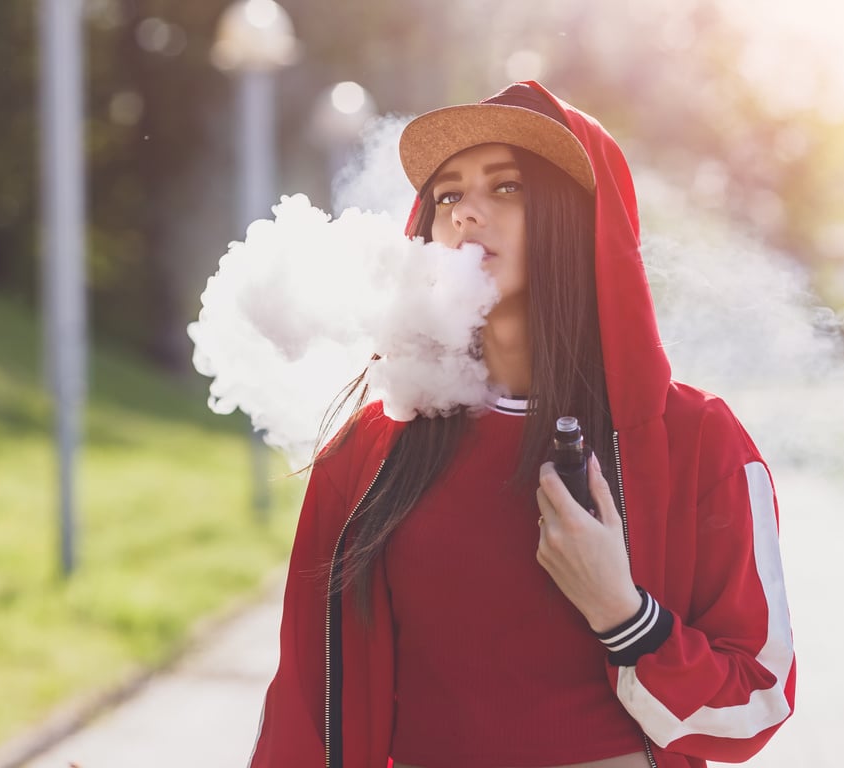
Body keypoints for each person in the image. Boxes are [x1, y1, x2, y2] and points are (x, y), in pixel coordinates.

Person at [247, 81, 795, 768]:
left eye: (507, 187)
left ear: (580, 221)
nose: (466, 213)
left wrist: (625, 617)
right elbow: (305, 706)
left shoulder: (696, 439)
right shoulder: (371, 447)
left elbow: (756, 703)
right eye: (448, 195)